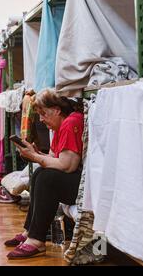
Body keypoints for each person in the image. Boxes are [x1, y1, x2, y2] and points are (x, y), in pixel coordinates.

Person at [5, 89, 84, 259]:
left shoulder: (71, 123)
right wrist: (37, 154)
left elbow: (67, 165)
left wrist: (35, 157)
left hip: (82, 184)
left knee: (46, 177)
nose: (41, 119)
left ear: (56, 110)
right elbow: (56, 158)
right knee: (40, 173)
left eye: (43, 114)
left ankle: (36, 240)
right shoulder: (61, 125)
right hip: (74, 178)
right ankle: (30, 233)